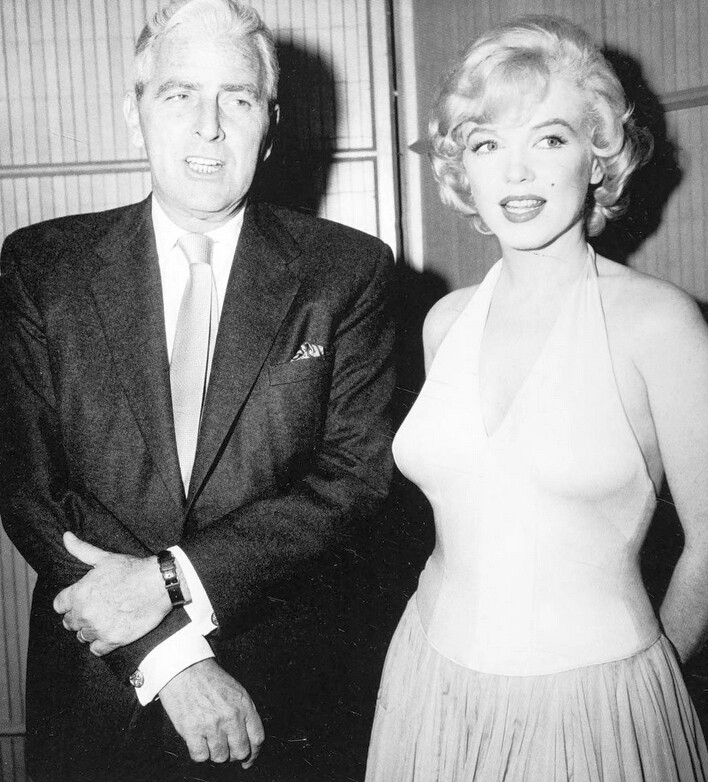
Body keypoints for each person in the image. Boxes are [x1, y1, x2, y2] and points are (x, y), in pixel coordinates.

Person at [0, 1, 395, 780]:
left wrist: (171, 579)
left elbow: (354, 478)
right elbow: (27, 484)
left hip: (284, 697)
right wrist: (171, 659)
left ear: (269, 124)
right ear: (135, 114)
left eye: (237, 99)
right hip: (99, 690)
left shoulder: (347, 271)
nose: (208, 127)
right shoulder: (41, 266)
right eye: (179, 95)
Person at [366, 15, 708, 782]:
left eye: (549, 138)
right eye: (488, 144)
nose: (516, 173)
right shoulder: (444, 322)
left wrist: (646, 692)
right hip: (429, 685)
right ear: (463, 169)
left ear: (598, 155)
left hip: (594, 708)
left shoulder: (660, 324)